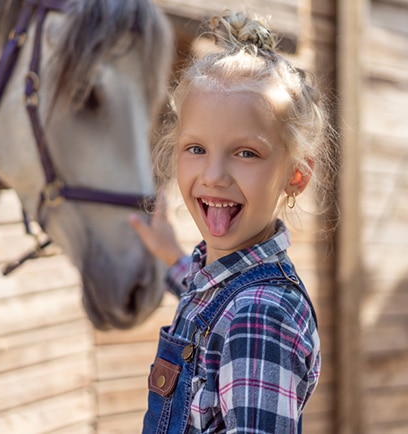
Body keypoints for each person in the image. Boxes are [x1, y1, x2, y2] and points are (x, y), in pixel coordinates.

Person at [128, 10, 334, 434]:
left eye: (245, 153)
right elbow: (205, 292)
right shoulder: (230, 283)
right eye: (196, 148)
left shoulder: (258, 315)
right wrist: (169, 254)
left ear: (296, 175)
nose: (214, 176)